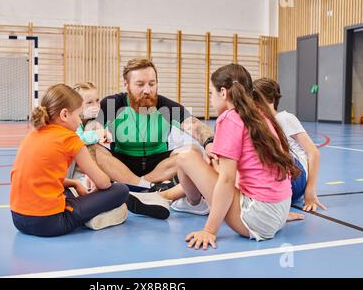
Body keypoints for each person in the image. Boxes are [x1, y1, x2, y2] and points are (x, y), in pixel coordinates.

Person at [178, 64, 301, 250]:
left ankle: (194, 204)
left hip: (256, 218)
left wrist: (210, 230)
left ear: (223, 92)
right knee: (212, 164)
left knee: (185, 156)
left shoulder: (230, 118)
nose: (211, 99)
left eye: (211, 94)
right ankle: (191, 201)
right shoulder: (260, 115)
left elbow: (227, 180)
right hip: (280, 210)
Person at [90, 58, 213, 217]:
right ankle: (149, 190)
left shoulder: (166, 106)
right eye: (140, 84)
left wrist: (210, 142)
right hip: (122, 164)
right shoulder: (112, 103)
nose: (147, 90)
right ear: (126, 85)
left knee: (194, 151)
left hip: (159, 166)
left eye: (152, 84)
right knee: (92, 148)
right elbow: (90, 126)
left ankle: (144, 191)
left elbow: (196, 126)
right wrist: (97, 131)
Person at [9, 83, 130, 237]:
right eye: (78, 116)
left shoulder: (32, 135)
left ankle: (87, 211)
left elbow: (41, 177)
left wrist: (74, 182)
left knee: (69, 191)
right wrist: (105, 183)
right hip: (49, 224)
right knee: (120, 190)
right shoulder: (70, 138)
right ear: (65, 115)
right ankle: (93, 217)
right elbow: (103, 183)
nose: (80, 122)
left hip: (18, 220)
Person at [252, 78, 326, 214]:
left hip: (297, 174)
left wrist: (310, 189)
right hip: (282, 179)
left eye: (257, 98)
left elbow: (314, 153)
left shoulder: (285, 118)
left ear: (271, 99)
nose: (254, 103)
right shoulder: (261, 123)